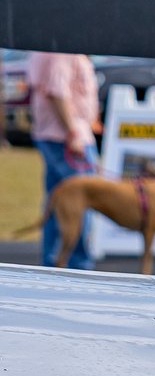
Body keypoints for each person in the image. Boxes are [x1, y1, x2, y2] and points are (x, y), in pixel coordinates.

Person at [28, 51, 98, 271]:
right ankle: (79, 265)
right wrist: (73, 133)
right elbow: (57, 93)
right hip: (66, 138)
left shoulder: (46, 50)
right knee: (79, 202)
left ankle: (52, 263)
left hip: (56, 135)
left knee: (55, 201)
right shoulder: (62, 52)